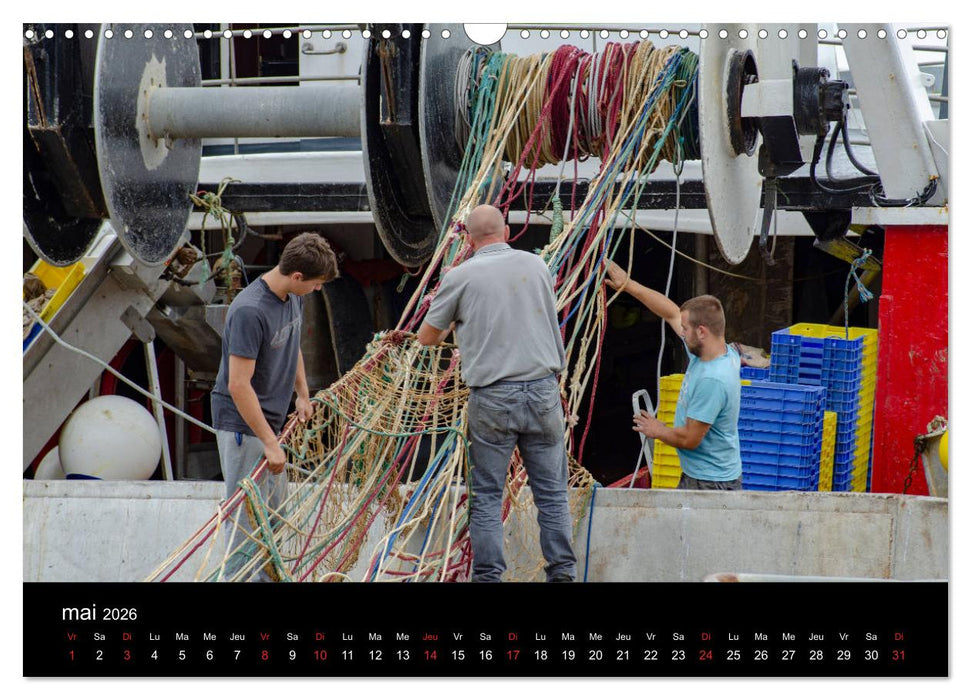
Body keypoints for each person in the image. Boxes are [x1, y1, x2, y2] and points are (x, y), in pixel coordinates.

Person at [417, 204, 577, 582]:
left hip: (491, 397)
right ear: (505, 232)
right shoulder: (537, 266)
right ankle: (563, 576)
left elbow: (427, 337)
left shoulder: (458, 276)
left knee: (487, 496)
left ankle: (488, 578)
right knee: (552, 494)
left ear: (469, 240)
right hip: (542, 391)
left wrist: (455, 324)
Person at [211, 232, 339, 579]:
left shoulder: (292, 297)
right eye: (315, 284)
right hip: (243, 426)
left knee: (274, 519)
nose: (317, 290)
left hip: (272, 422)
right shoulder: (250, 311)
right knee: (246, 526)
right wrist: (269, 441)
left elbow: (292, 341)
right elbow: (238, 385)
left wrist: (302, 392)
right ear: (297, 276)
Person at [605, 260, 742, 490]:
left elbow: (690, 439)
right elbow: (670, 312)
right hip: (700, 475)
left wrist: (658, 430)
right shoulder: (711, 349)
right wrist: (627, 285)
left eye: (685, 329)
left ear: (701, 332)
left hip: (710, 484)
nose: (681, 332)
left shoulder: (713, 380)